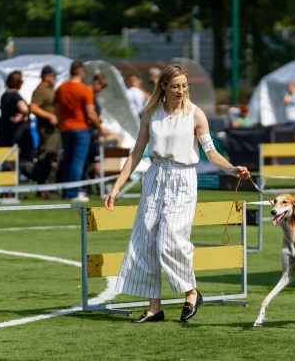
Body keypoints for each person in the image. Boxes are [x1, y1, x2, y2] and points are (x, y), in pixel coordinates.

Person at [104, 64, 250, 323]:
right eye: (175, 86)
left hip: (183, 179)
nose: (181, 90)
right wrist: (116, 187)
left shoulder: (196, 114)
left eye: (185, 85)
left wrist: (231, 169)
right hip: (154, 177)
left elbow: (211, 153)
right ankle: (154, 308)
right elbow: (137, 153)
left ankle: (191, 292)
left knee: (170, 238)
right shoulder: (150, 113)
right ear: (163, 86)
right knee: (145, 241)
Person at [55, 61, 109, 202]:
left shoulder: (61, 88)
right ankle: (73, 193)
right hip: (81, 129)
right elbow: (90, 113)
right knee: (77, 161)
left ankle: (67, 192)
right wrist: (100, 128)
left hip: (65, 129)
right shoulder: (84, 90)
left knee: (68, 160)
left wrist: (61, 124)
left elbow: (57, 109)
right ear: (82, 73)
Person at [0, 70, 36, 180]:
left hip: (4, 133)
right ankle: (14, 189)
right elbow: (24, 109)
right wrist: (23, 117)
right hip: (16, 134)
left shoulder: (5, 96)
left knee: (7, 162)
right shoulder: (15, 95)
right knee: (18, 161)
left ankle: (7, 191)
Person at [29, 65, 61, 194]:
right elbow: (33, 108)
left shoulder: (49, 89)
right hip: (47, 130)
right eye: (53, 76)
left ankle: (48, 185)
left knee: (54, 156)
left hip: (54, 129)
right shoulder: (41, 90)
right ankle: (45, 187)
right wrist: (50, 116)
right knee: (48, 156)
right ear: (46, 76)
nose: (55, 78)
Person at [81, 73, 108, 197]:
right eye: (101, 87)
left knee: (89, 161)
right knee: (95, 160)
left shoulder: (92, 96)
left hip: (92, 131)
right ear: (96, 83)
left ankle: (90, 187)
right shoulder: (88, 95)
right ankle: (104, 186)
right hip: (90, 133)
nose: (101, 90)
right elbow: (90, 115)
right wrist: (100, 127)